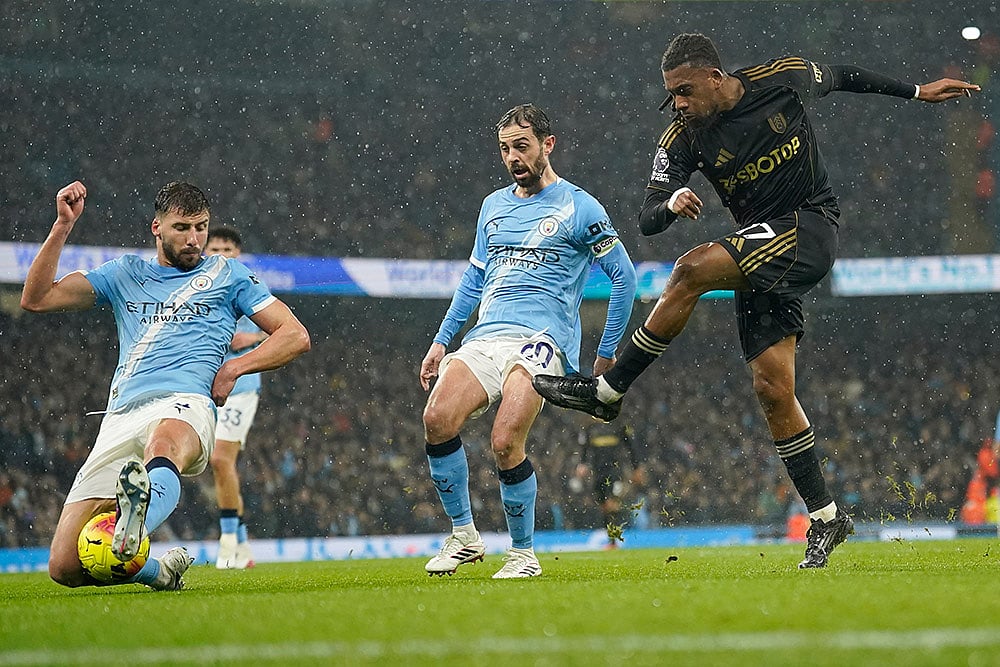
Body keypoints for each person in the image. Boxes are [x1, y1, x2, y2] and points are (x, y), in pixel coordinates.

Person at [534, 33, 981, 568]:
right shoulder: (682, 137)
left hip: (809, 225)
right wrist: (672, 201)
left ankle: (609, 389)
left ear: (715, 78)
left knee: (691, 270)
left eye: (684, 91)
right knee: (772, 389)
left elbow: (842, 75)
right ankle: (826, 517)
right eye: (671, 94)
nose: (677, 104)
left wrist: (916, 92)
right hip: (760, 249)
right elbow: (648, 218)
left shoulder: (780, 79)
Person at [21, 180, 310, 589]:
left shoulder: (227, 274)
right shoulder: (125, 274)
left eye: (201, 227)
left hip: (186, 402)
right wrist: (62, 227)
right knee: (65, 566)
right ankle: (159, 571)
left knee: (164, 444)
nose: (194, 239)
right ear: (156, 227)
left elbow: (295, 335)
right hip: (120, 413)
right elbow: (36, 299)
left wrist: (233, 369)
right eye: (182, 228)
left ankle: (135, 520)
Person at [419, 103, 637, 578]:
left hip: (542, 340)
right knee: (436, 419)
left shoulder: (580, 207)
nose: (513, 157)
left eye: (522, 146)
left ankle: (523, 553)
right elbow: (473, 281)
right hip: (485, 337)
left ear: (547, 145)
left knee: (504, 438)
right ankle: (464, 538)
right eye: (504, 149)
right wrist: (441, 341)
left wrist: (605, 354)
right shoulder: (492, 207)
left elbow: (625, 278)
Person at [204, 226, 268, 569]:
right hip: (201, 387)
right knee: (207, 463)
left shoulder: (248, 284)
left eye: (227, 248)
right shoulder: (194, 287)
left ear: (237, 254)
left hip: (240, 388)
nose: (221, 253)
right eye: (214, 247)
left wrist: (251, 336)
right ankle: (242, 547)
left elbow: (279, 326)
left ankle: (227, 541)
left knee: (220, 459)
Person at [574, 418, 646, 547]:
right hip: (598, 473)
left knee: (611, 503)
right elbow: (584, 448)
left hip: (615, 471)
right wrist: (582, 464)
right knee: (604, 507)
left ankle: (613, 542)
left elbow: (632, 447)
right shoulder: (590, 428)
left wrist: (637, 467)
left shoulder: (619, 425)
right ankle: (612, 540)